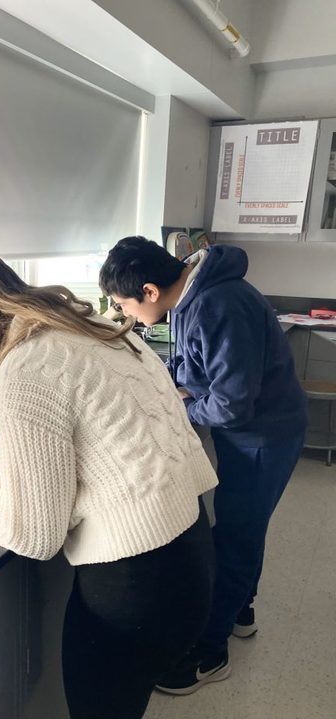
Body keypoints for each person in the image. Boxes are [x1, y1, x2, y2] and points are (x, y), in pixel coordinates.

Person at [0, 251, 218, 719]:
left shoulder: (25, 372)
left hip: (134, 586)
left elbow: (34, 533)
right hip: (191, 554)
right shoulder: (99, 329)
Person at [99, 236, 307, 695]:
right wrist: (179, 388)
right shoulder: (194, 292)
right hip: (259, 428)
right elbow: (199, 365)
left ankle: (210, 652)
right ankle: (240, 610)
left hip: (264, 437)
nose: (126, 314)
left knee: (234, 536)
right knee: (244, 529)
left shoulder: (218, 305)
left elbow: (231, 406)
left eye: (124, 304)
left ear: (150, 291)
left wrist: (180, 408)